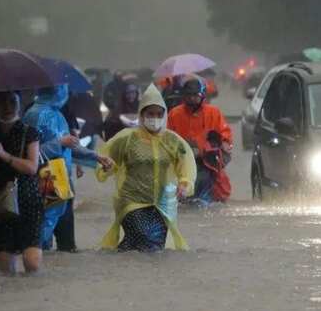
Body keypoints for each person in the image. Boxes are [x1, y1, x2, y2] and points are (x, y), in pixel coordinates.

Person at [96, 84, 196, 252]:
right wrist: (107, 167)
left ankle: (124, 264)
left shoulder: (172, 141)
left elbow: (185, 165)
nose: (154, 118)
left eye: (159, 114)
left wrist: (184, 184)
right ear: (142, 115)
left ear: (164, 115)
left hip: (161, 204)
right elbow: (106, 161)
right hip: (131, 201)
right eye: (150, 114)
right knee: (145, 236)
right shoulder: (126, 139)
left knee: (152, 247)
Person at [24, 85, 112, 251]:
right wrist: (59, 143)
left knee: (60, 230)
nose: (66, 93)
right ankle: (36, 262)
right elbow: (30, 153)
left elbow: (71, 146)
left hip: (60, 176)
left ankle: (51, 263)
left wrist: (96, 157)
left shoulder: (57, 114)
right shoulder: (36, 115)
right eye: (62, 89)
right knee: (44, 228)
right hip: (46, 175)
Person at [0, 91, 44, 274]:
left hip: (28, 199)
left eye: (12, 102)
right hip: (0, 201)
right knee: (5, 269)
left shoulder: (29, 132)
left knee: (32, 263)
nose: (7, 107)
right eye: (2, 102)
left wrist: (4, 155)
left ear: (19, 103)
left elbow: (32, 167)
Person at [167, 77, 233, 205]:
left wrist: (222, 144)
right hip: (182, 163)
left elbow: (225, 134)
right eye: (189, 95)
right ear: (184, 96)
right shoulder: (175, 114)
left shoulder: (213, 112)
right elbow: (168, 138)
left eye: (195, 95)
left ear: (202, 95)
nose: (192, 98)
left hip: (207, 162)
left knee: (217, 192)